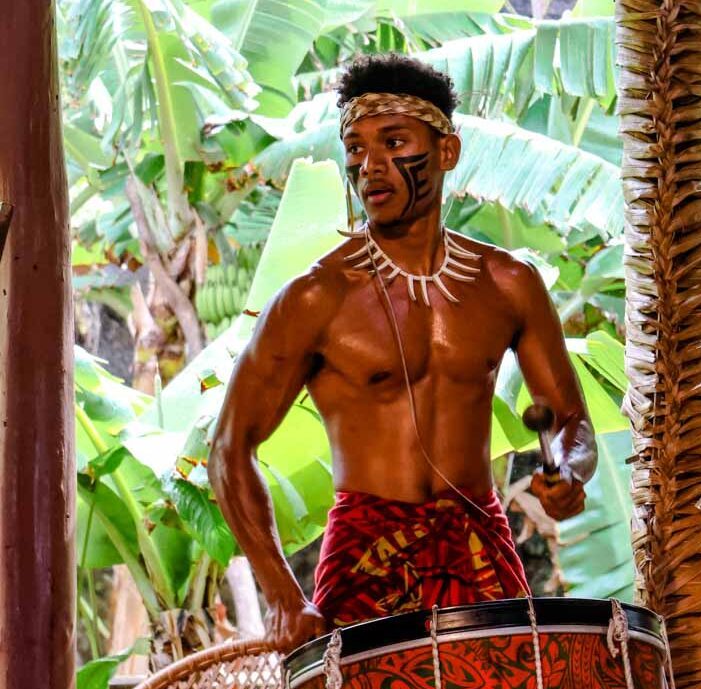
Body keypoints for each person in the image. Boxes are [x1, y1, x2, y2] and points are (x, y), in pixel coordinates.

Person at [208, 53, 597, 651]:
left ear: (447, 151)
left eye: (393, 143)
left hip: (479, 549)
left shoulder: (507, 284)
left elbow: (571, 422)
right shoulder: (317, 297)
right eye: (357, 150)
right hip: (366, 560)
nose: (371, 167)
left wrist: (568, 470)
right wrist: (285, 598)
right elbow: (230, 448)